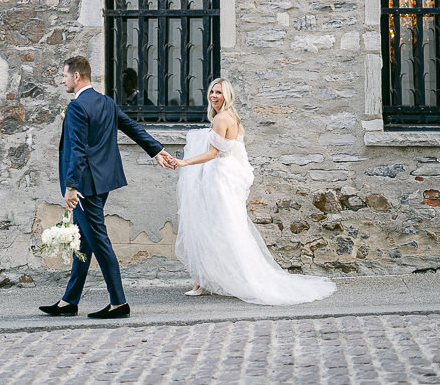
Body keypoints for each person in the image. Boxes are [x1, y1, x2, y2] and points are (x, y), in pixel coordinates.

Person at [174, 78, 336, 305]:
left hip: (219, 178)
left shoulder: (221, 118)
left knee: (216, 227)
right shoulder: (232, 117)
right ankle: (203, 280)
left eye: (218, 92)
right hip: (227, 176)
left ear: (226, 95)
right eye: (211, 91)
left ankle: (210, 281)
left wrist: (184, 162)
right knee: (222, 226)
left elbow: (212, 153)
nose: (213, 95)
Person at [39, 56, 176, 320]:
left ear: (77, 76)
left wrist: (71, 186)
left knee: (98, 241)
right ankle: (69, 301)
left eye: (65, 76)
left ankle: (118, 302)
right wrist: (156, 150)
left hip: (85, 187)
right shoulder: (106, 102)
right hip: (102, 183)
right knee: (84, 240)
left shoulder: (78, 107)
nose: (63, 80)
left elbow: (77, 150)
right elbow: (133, 127)